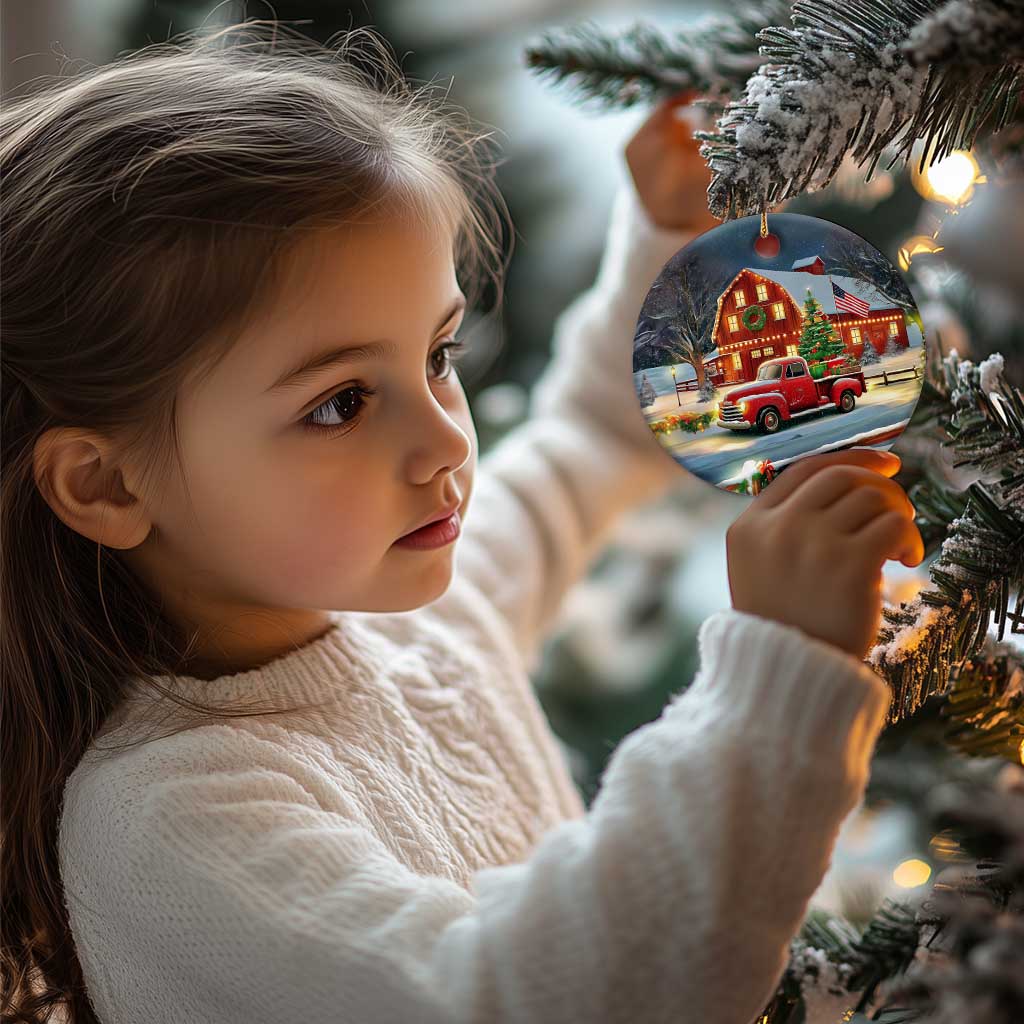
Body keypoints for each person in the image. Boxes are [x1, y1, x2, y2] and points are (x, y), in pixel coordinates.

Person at [0, 20, 923, 1024]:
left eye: (436, 357)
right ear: (106, 488)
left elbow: (589, 441)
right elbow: (530, 1000)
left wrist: (665, 238)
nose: (443, 442)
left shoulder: (424, 621)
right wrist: (776, 676)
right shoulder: (169, 817)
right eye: (340, 402)